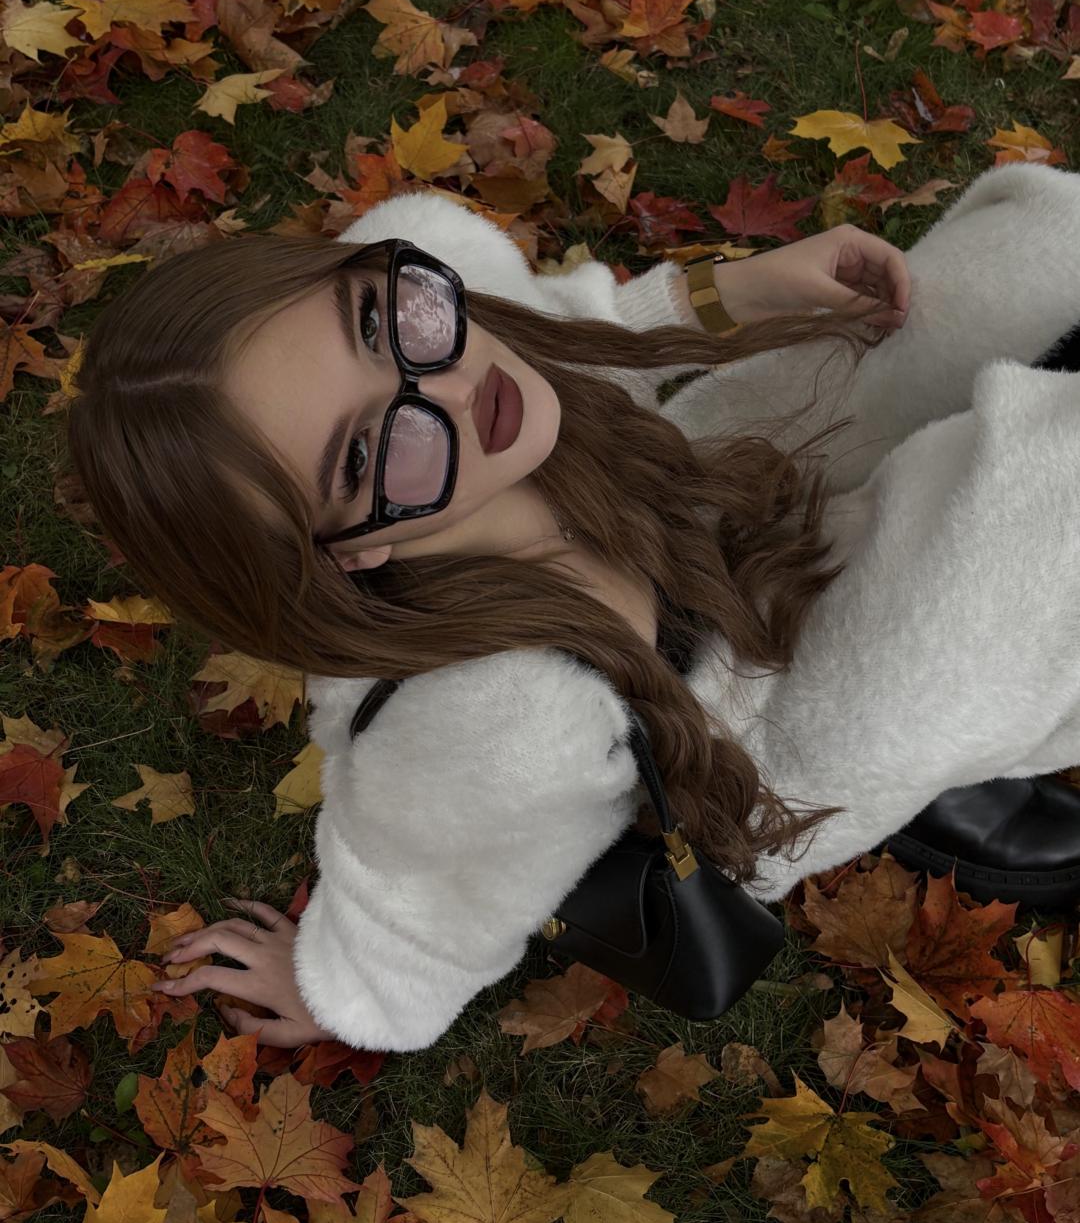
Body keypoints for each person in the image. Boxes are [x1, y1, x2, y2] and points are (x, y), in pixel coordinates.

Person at [65, 163, 1080, 1050]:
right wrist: (346, 987)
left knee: (1027, 268)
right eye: (367, 451)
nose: (450, 386)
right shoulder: (500, 723)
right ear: (350, 549)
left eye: (377, 322)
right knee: (1031, 523)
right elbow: (427, 889)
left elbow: (560, 334)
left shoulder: (457, 351)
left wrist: (730, 294)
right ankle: (955, 772)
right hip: (766, 731)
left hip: (710, 502)